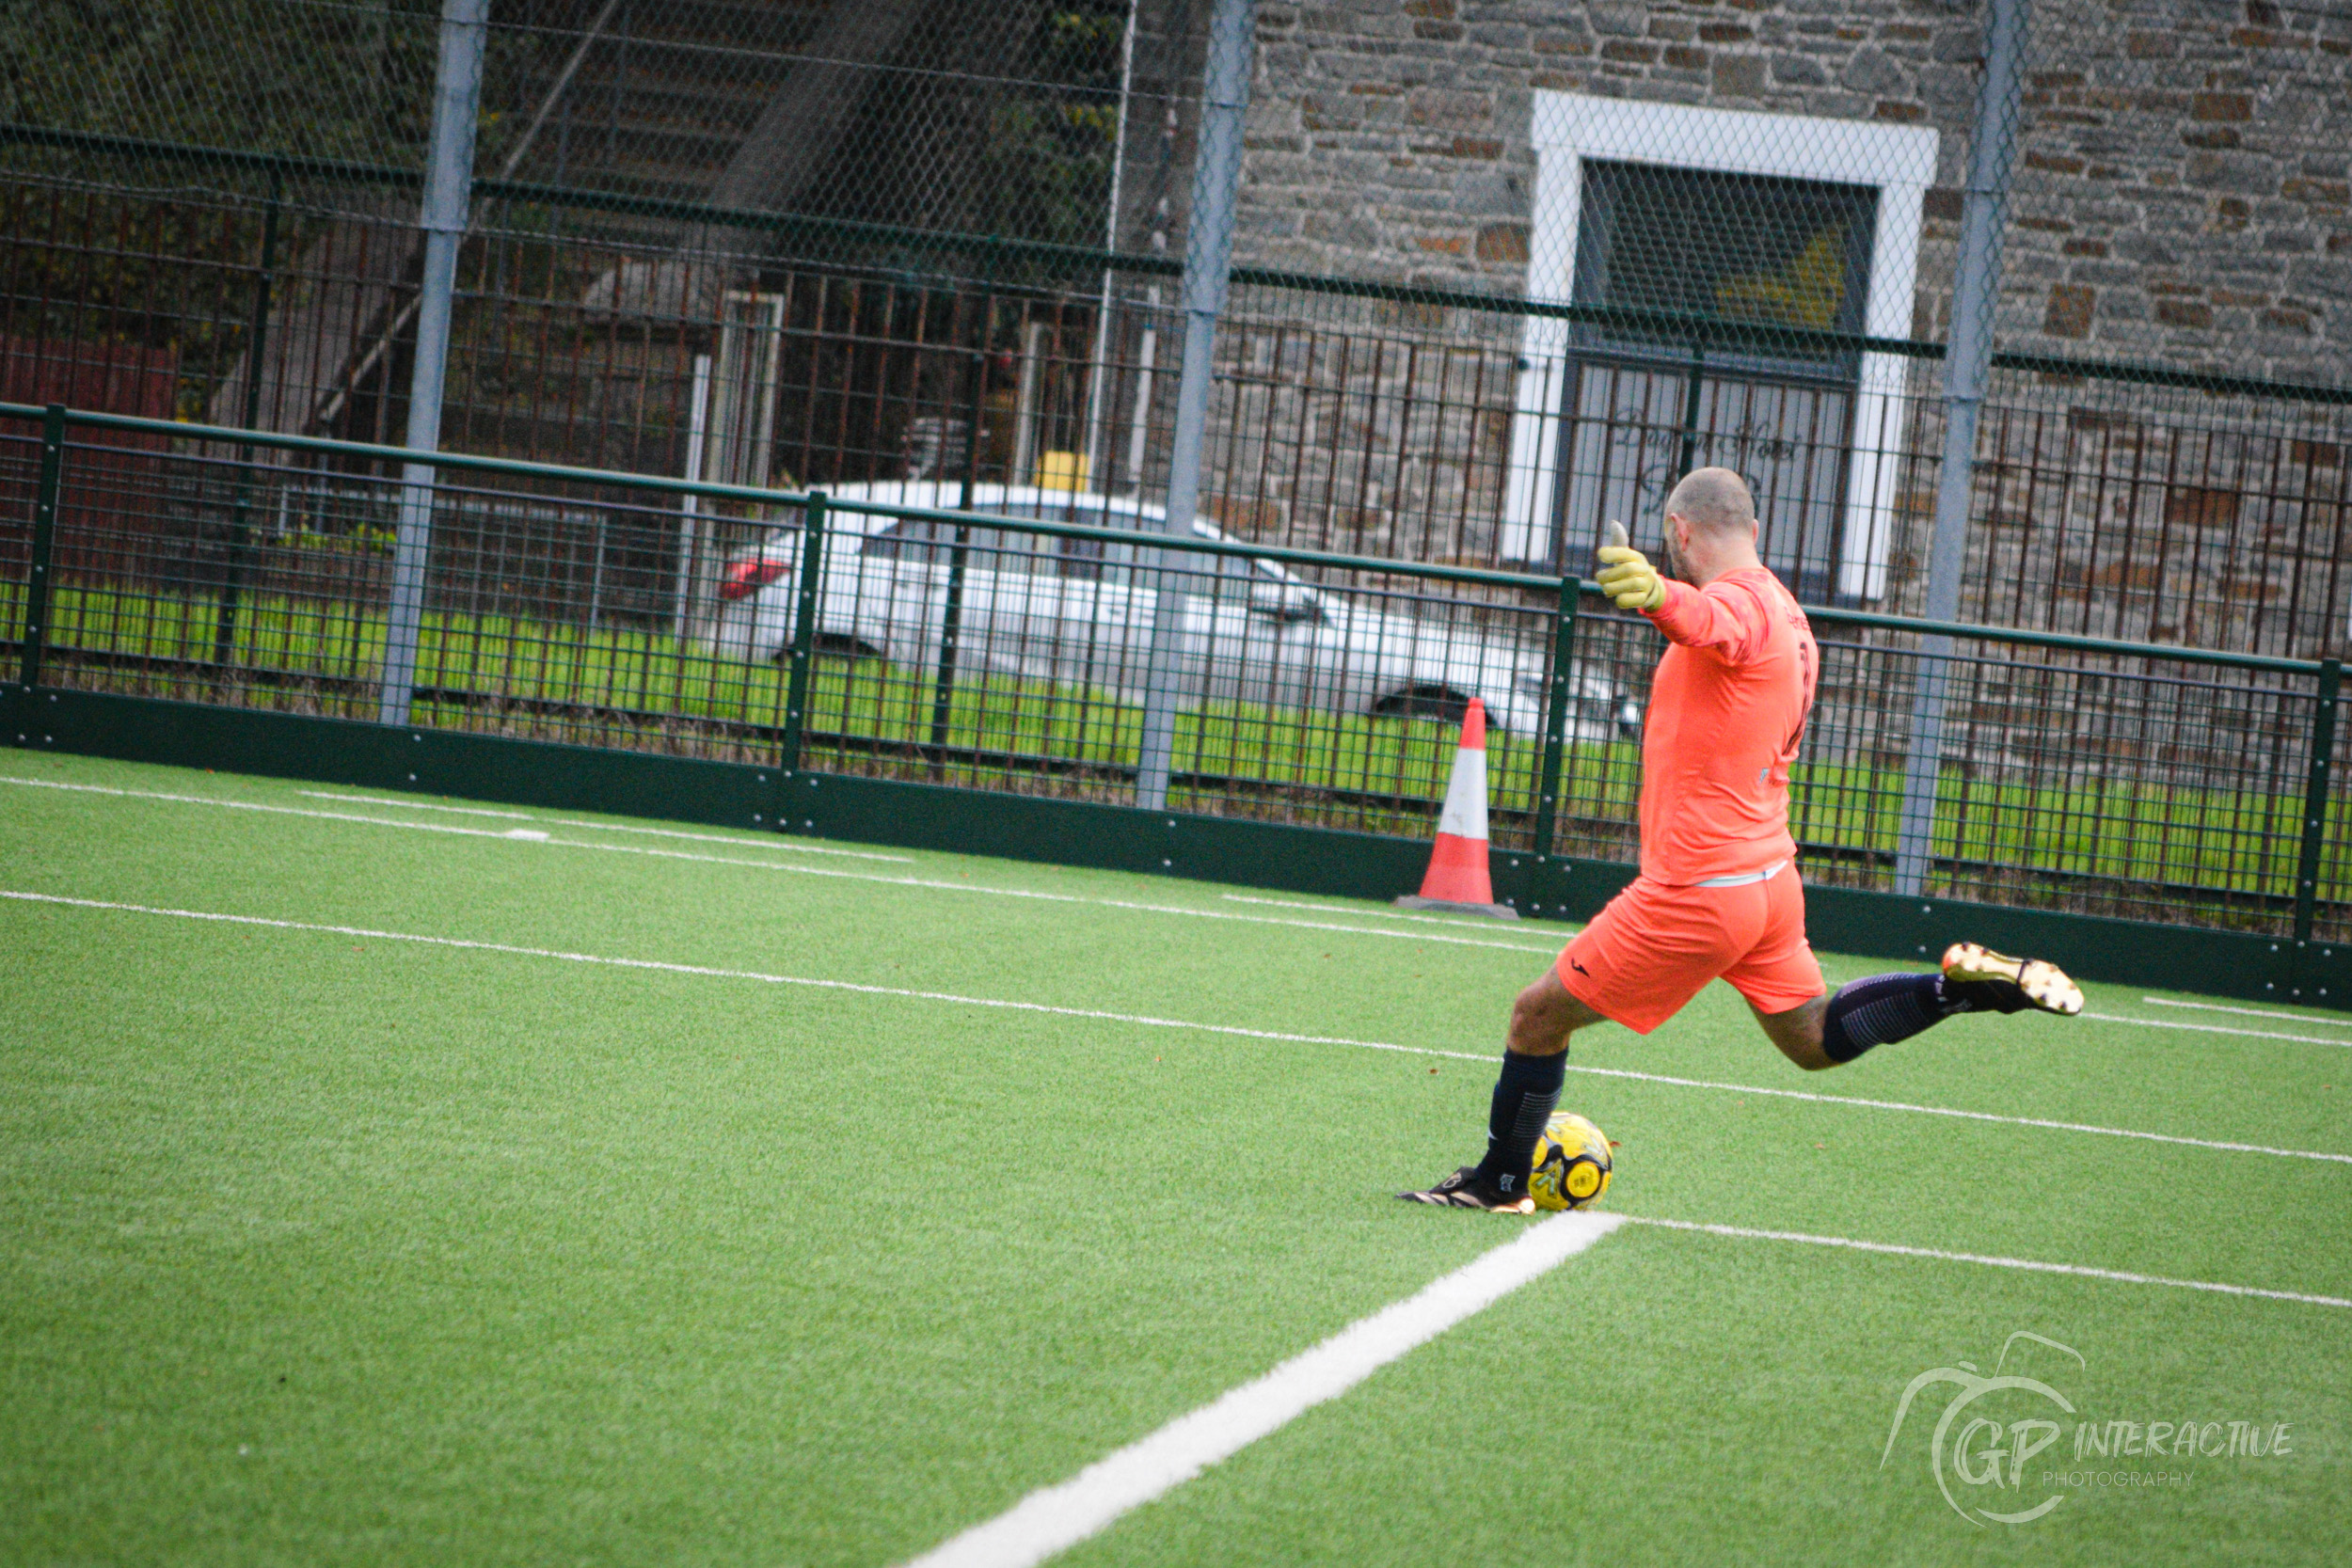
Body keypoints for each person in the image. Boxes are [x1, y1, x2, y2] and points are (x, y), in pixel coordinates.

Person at [1402, 467, 2081, 1212]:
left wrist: (1658, 595)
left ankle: (1497, 1183)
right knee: (1813, 1038)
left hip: (1700, 888)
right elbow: (1719, 637)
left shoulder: (1738, 603)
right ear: (1754, 531)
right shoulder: (1790, 613)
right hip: (1767, 880)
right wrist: (1668, 599)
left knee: (1538, 1015)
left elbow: (1707, 620)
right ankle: (1952, 989)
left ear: (1679, 533)